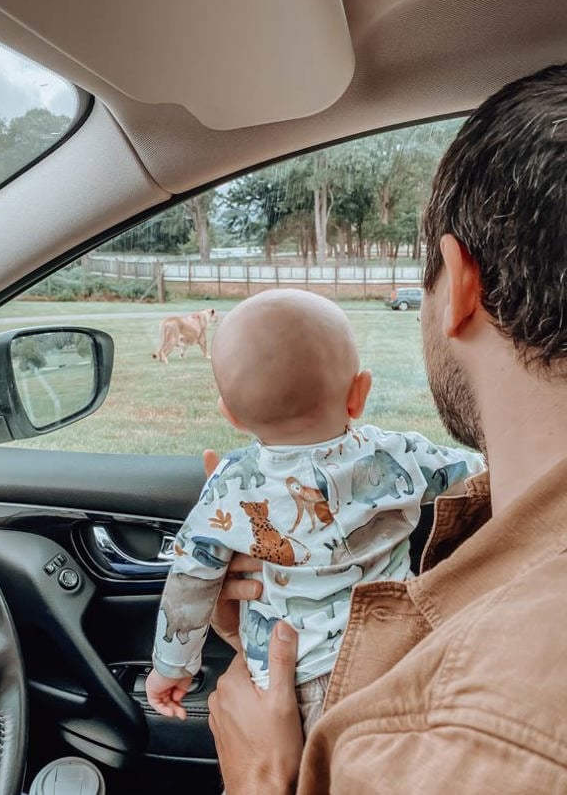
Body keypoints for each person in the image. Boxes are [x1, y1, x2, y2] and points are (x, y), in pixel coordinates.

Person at [206, 63, 567, 793]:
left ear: (459, 283)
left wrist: (262, 779)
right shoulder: (506, 531)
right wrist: (285, 611)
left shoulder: (464, 740)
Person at [145, 289, 484, 733]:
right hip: (400, 654)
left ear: (232, 416)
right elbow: (477, 471)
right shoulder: (395, 456)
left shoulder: (230, 484)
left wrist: (172, 666)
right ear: (358, 393)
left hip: (290, 683)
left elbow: (190, 579)